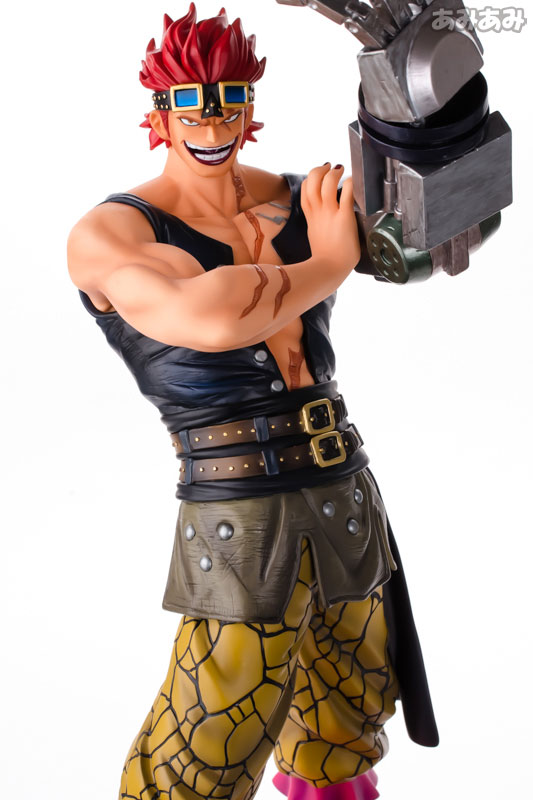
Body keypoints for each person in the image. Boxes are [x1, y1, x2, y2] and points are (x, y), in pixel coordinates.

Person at [67, 5, 438, 800]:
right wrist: (327, 261)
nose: (213, 122)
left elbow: (436, 236)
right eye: (192, 103)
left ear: (250, 103)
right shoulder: (112, 233)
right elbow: (207, 317)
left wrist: (424, 94)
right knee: (214, 725)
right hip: (240, 504)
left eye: (229, 99)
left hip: (340, 485)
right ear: (160, 111)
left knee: (349, 704)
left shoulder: (303, 197)